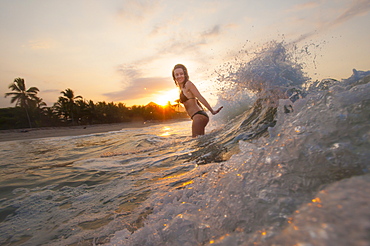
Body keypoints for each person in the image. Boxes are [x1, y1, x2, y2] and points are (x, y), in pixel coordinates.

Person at [172, 64, 223, 137]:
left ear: (185, 74)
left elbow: (199, 97)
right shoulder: (181, 88)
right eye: (177, 75)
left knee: (197, 142)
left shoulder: (188, 84)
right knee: (201, 142)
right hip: (199, 116)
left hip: (198, 116)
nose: (179, 76)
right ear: (174, 77)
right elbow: (195, 101)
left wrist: (212, 111)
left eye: (181, 74)